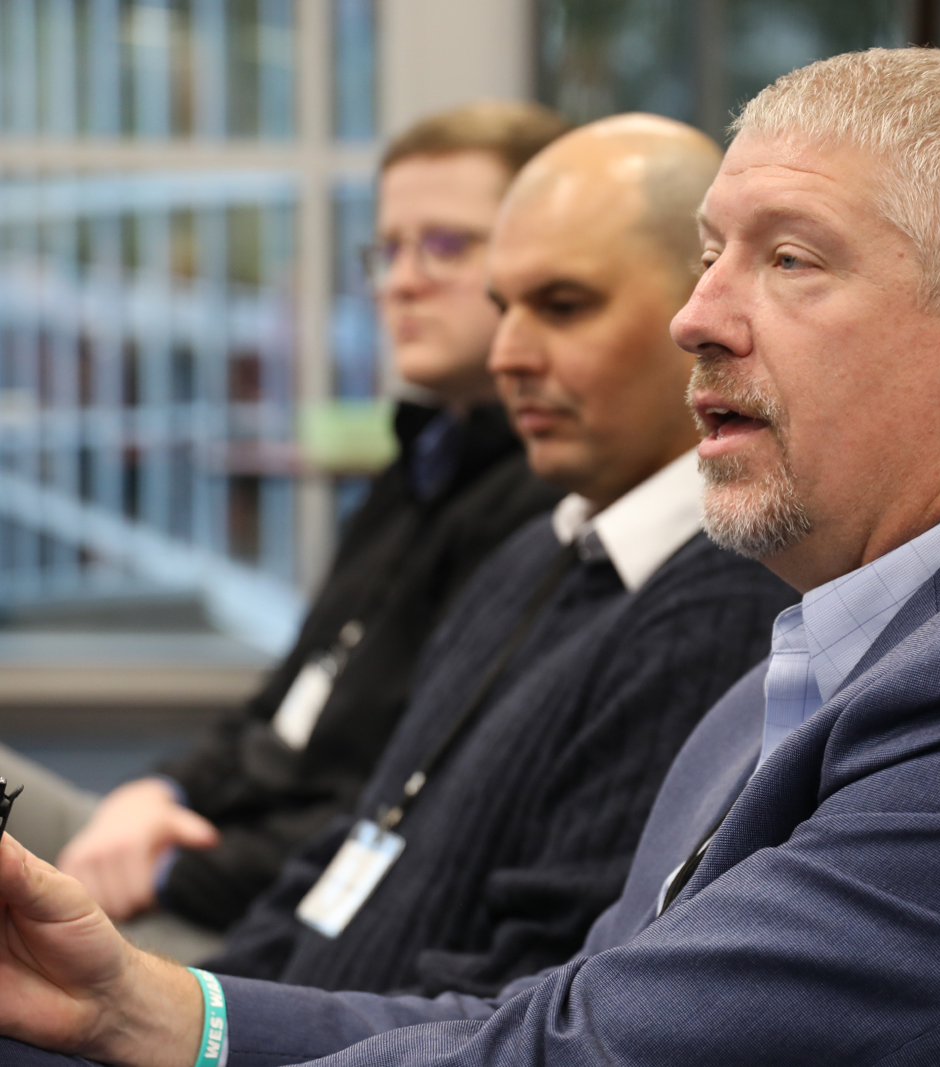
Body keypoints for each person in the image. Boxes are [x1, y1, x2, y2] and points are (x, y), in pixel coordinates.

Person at [11, 44, 940, 1065]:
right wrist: (140, 1009)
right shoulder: (784, 669)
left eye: (788, 259)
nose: (693, 318)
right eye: (707, 259)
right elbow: (557, 1008)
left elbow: (600, 1048)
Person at [194, 113, 793, 998]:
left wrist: (198, 1023)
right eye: (503, 306)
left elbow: (535, 988)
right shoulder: (532, 553)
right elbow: (351, 843)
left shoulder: (711, 606)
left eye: (562, 307)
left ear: (696, 312)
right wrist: (187, 1004)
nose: (509, 354)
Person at [0, 101, 570, 954]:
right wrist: (158, 793)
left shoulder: (542, 508)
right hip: (189, 842)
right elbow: (279, 703)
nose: (403, 279)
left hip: (253, 916)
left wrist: (164, 864)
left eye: (447, 245)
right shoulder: (419, 459)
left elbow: (389, 819)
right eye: (388, 249)